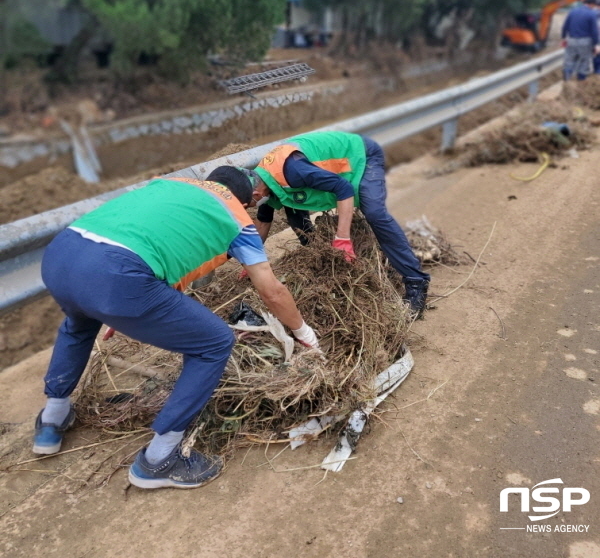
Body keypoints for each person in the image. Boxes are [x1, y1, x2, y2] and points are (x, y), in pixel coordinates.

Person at [33, 166, 318, 490]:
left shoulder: (171, 186)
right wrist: (303, 333)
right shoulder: (238, 221)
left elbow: (157, 245)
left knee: (78, 325)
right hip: (118, 277)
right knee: (214, 343)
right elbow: (272, 292)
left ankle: (51, 421)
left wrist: (122, 310)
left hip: (61, 256)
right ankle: (159, 459)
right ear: (249, 201)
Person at [251, 131, 430, 317]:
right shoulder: (262, 179)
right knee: (295, 213)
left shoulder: (293, 171)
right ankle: (323, 263)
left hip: (360, 155)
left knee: (375, 213)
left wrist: (342, 239)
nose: (251, 207)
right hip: (324, 165)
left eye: (250, 204)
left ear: (256, 194)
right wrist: (252, 260)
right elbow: (264, 220)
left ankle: (415, 281)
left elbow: (343, 188)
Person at [561, 0, 600, 80]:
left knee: (569, 61)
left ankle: (567, 82)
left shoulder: (572, 12)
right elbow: (594, 31)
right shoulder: (591, 14)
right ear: (592, 4)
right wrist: (596, 44)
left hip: (571, 40)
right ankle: (580, 83)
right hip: (585, 41)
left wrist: (564, 38)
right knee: (584, 62)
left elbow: (565, 26)